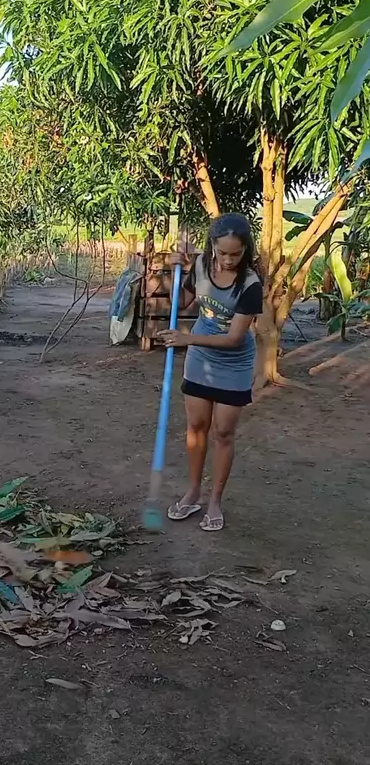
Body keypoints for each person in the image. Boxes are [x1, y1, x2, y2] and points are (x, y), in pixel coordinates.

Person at [158, 213, 263, 532]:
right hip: (201, 359)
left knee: (223, 433)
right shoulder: (202, 265)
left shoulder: (250, 285)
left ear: (246, 249)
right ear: (212, 247)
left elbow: (233, 339)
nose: (229, 260)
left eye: (236, 253)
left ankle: (215, 501)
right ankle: (192, 493)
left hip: (233, 363)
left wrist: (187, 339)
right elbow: (182, 301)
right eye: (222, 252)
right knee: (196, 426)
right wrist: (173, 273)